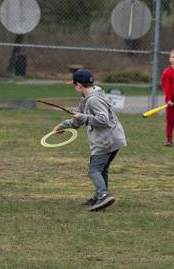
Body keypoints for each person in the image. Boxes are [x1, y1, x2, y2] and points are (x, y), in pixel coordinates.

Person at [53, 68, 127, 212]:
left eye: (74, 84)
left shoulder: (93, 100)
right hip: (114, 138)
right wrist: (63, 126)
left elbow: (103, 120)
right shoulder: (91, 95)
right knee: (102, 169)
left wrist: (83, 117)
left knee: (94, 171)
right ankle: (99, 197)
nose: (74, 87)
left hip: (106, 140)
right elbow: (78, 118)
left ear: (80, 85)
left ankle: (103, 195)